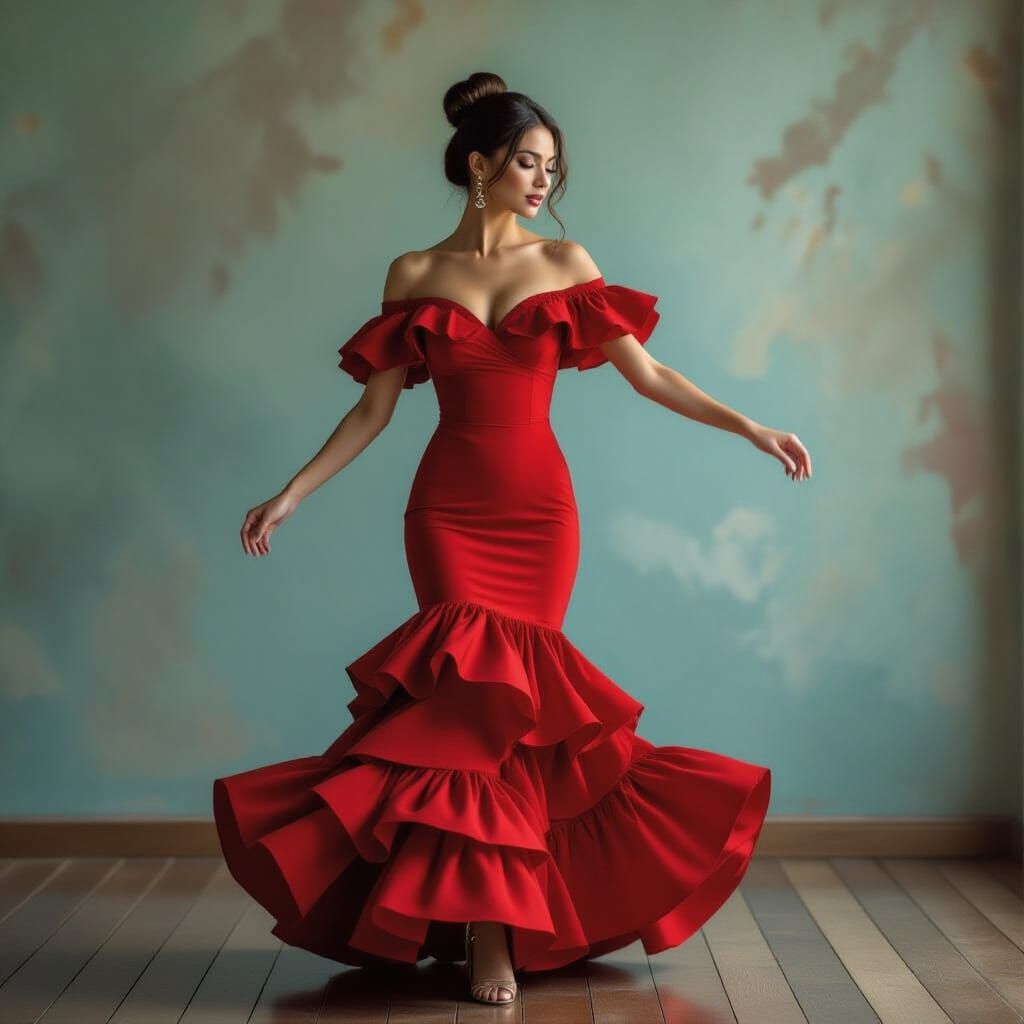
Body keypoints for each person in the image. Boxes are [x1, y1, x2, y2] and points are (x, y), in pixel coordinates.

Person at [213, 71, 810, 1007]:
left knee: (517, 716)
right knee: (461, 715)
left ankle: (489, 923)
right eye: (529, 163)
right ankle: (482, 928)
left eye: (551, 168)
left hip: (539, 514)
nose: (543, 182)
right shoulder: (415, 274)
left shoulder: (567, 264)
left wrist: (751, 427)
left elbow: (650, 376)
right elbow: (372, 412)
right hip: (447, 512)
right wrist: (293, 492)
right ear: (480, 166)